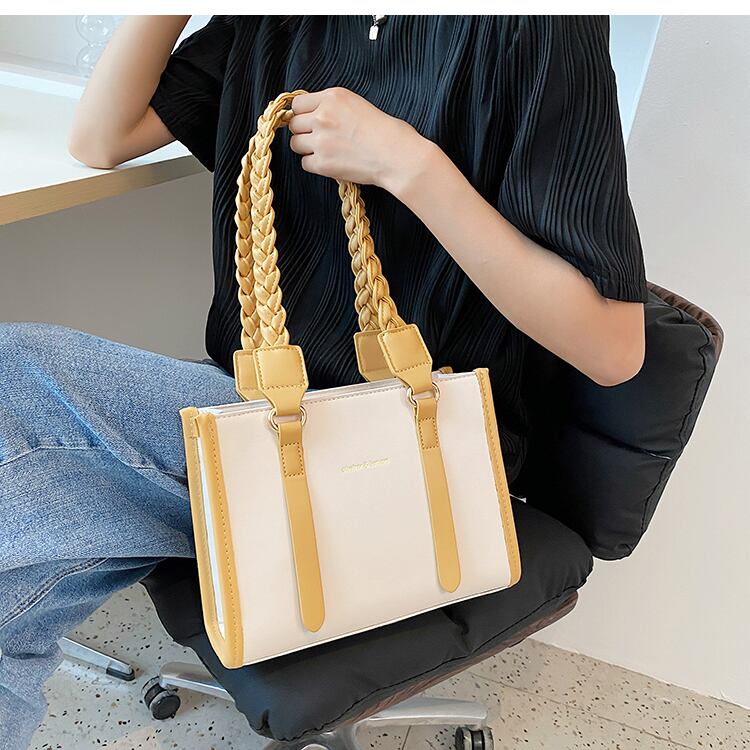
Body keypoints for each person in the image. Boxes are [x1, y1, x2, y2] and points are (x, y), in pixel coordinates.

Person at [0, 15, 648, 748]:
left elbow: (613, 348)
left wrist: (409, 165)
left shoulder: (531, 28)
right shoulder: (277, 18)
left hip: (416, 447)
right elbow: (100, 139)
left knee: (14, 386)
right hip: (265, 417)